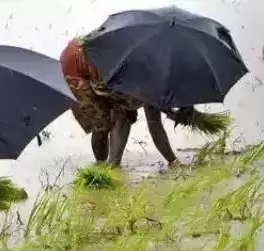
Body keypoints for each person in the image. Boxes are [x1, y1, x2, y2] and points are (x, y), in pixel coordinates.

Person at [60, 36, 184, 168]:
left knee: (121, 113)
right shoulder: (141, 74)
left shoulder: (155, 76)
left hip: (99, 65)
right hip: (76, 66)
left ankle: (110, 165)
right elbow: (146, 118)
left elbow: (155, 125)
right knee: (104, 122)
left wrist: (173, 161)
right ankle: (104, 167)